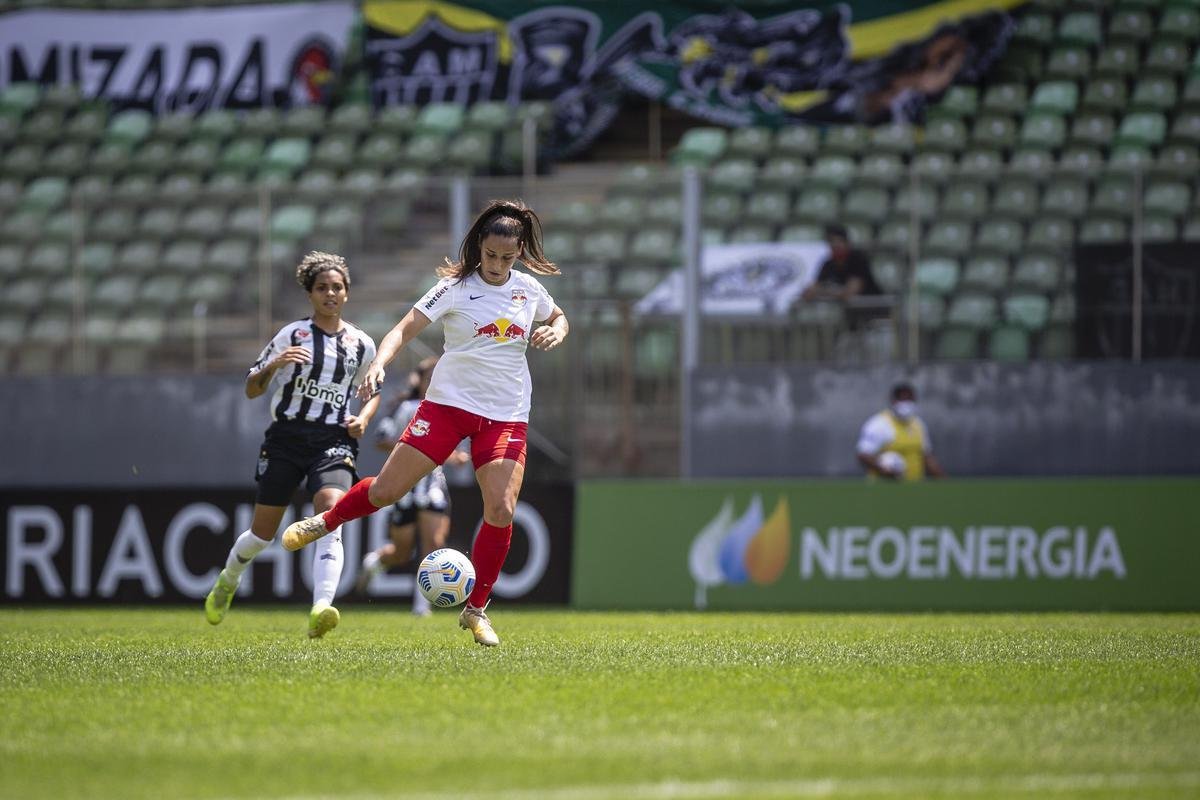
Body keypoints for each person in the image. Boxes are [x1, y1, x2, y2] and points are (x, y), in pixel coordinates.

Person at [280, 199, 568, 647]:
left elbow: (557, 315)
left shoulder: (529, 291)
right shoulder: (455, 286)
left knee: (502, 509)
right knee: (385, 492)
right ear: (478, 247)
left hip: (507, 414)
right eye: (490, 255)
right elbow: (403, 329)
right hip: (447, 407)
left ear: (519, 254)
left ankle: (476, 611)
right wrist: (379, 363)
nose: (496, 264)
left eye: (506, 258)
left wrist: (558, 329)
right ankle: (327, 521)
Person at [204, 251, 379, 638]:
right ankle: (229, 579)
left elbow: (373, 389)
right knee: (261, 535)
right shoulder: (292, 335)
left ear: (347, 293)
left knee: (331, 514)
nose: (330, 293)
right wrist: (274, 365)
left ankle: (321, 607)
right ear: (310, 294)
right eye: (322, 288)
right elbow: (252, 389)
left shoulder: (362, 344)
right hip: (286, 438)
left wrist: (363, 418)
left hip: (334, 440)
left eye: (337, 287)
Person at [355, 356, 470, 615]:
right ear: (419, 381)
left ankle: (422, 604)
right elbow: (382, 438)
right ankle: (375, 562)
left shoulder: (452, 409)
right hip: (405, 485)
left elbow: (458, 451)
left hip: (433, 485)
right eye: (429, 377)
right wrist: (412, 447)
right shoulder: (406, 408)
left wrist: (456, 457)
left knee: (434, 544)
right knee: (402, 552)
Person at [856, 382, 946, 481]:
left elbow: (926, 456)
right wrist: (884, 470)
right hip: (885, 485)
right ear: (893, 401)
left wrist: (942, 479)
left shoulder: (918, 424)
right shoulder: (879, 424)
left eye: (909, 399)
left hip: (914, 487)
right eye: (902, 399)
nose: (905, 404)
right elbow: (864, 455)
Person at [801, 223, 883, 309]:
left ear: (847, 243)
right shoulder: (828, 263)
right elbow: (810, 291)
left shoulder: (858, 259)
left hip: (872, 309)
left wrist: (822, 291)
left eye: (839, 241)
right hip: (848, 312)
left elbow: (850, 292)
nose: (836, 245)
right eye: (832, 242)